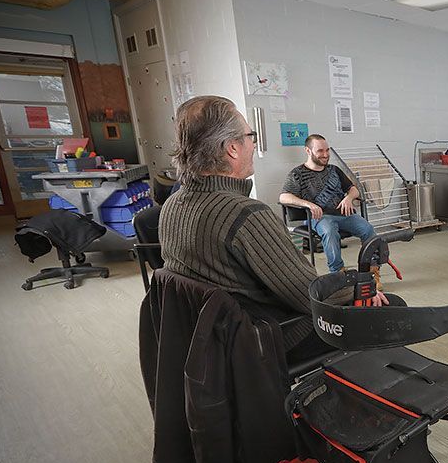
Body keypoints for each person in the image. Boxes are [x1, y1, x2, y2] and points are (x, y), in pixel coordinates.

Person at [159, 96, 389, 363]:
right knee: (388, 308)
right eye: (250, 136)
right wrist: (360, 288)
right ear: (232, 148)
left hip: (214, 338)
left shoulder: (171, 205)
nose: (254, 143)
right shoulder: (246, 215)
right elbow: (309, 296)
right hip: (267, 338)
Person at [279, 134, 377, 274]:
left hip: (344, 214)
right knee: (329, 232)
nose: (325, 155)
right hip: (319, 217)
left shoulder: (334, 170)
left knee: (368, 230)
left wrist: (349, 198)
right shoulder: (297, 174)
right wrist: (309, 204)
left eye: (327, 150)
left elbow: (354, 190)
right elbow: (284, 197)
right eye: (320, 151)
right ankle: (337, 272)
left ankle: (371, 270)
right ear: (308, 151)